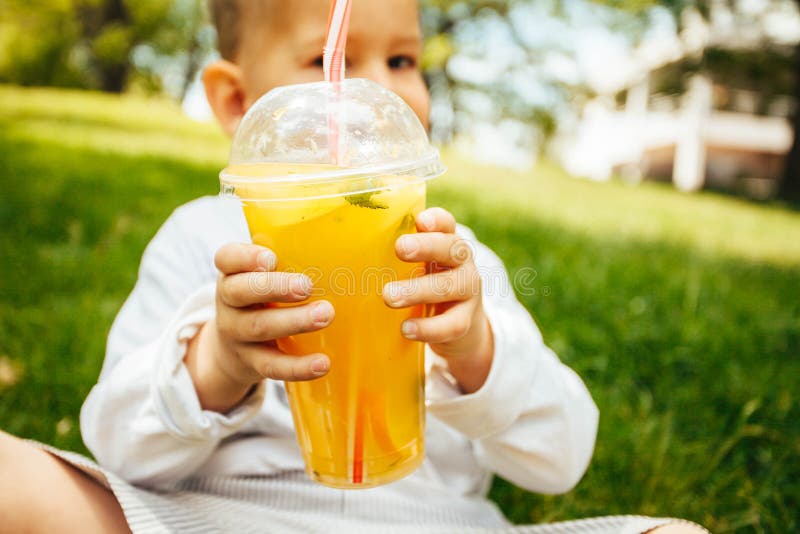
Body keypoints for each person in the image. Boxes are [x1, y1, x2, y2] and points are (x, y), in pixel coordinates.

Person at [0, 1, 707, 532]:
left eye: (402, 61)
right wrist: (216, 360)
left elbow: (563, 457)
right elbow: (118, 442)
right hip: (217, 519)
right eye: (329, 62)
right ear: (238, 101)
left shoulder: (455, 261)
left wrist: (477, 350)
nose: (382, 92)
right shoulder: (198, 241)